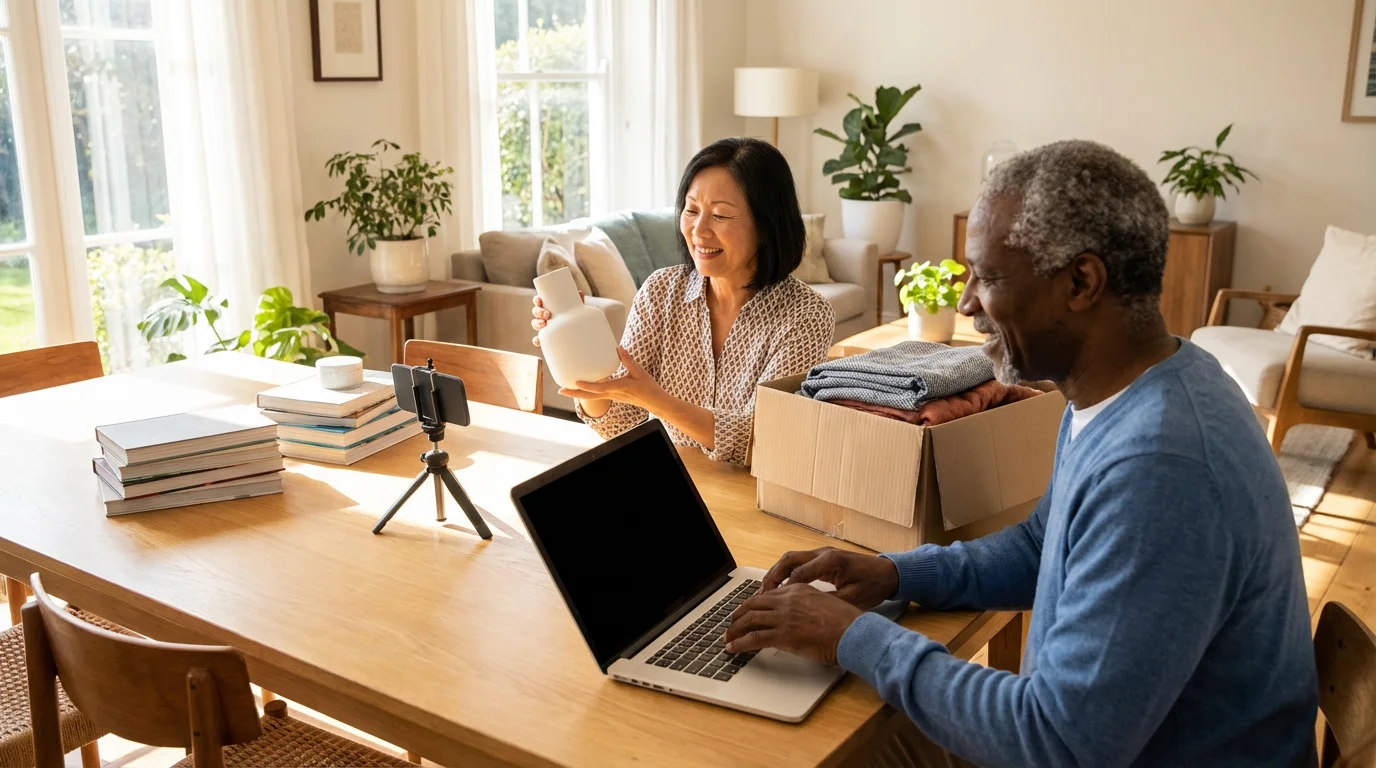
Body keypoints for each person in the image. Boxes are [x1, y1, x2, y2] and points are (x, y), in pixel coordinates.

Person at [723, 140, 1318, 766]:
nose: (966, 303)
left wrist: (849, 635)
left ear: (1082, 282)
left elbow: (1056, 743)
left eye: (990, 277)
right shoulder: (1131, 385)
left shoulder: (1161, 466)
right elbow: (1044, 544)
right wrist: (897, 573)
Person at [530, 137, 835, 465]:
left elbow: (763, 439)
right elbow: (618, 422)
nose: (699, 230)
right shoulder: (660, 291)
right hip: (671, 483)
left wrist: (656, 400)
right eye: (691, 210)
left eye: (719, 215)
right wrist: (580, 358)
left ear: (766, 225)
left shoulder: (807, 315)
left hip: (755, 497)